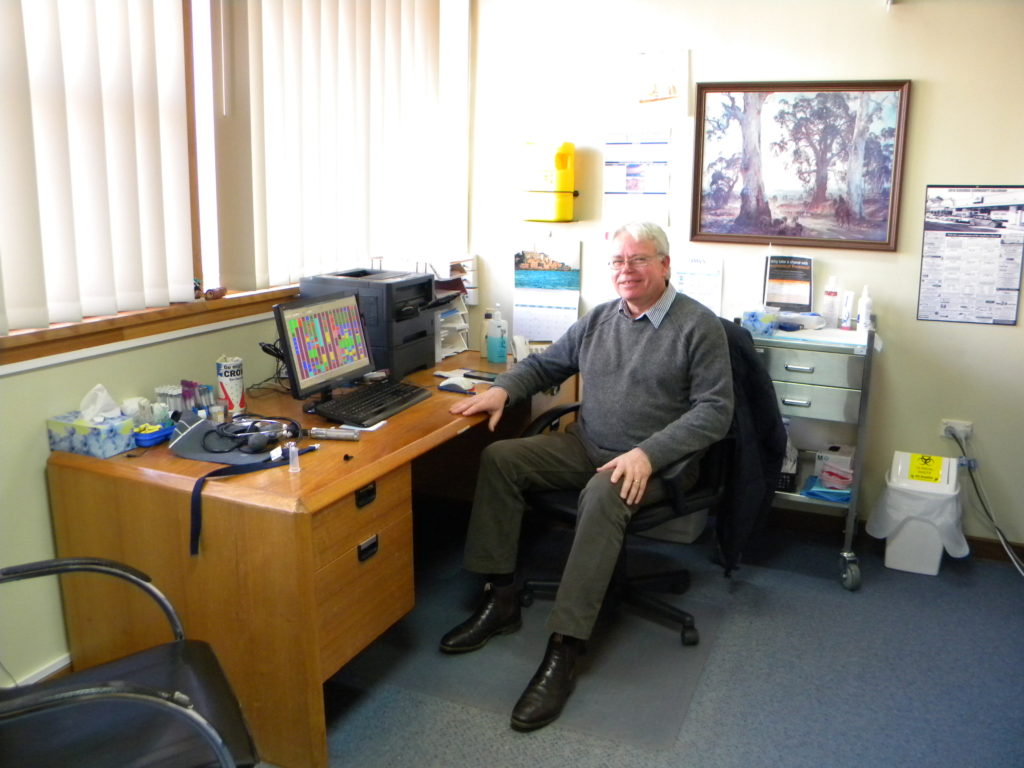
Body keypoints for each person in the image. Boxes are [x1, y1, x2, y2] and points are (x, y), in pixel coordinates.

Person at [441, 222, 734, 732]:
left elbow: (715, 412)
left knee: (603, 493)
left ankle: (564, 649)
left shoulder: (698, 326)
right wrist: (504, 391)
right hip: (588, 444)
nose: (627, 271)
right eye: (619, 262)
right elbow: (547, 366)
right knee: (502, 459)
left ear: (665, 265)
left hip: (656, 463)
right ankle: (501, 597)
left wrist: (648, 453)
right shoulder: (599, 320)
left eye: (639, 260)